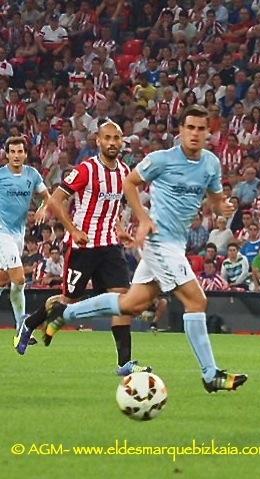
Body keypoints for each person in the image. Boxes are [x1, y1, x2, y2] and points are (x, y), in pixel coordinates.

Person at [43, 105, 247, 393]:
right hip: (159, 241)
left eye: (201, 129)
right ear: (180, 130)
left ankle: (65, 314)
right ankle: (210, 374)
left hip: (177, 242)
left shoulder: (211, 164)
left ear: (208, 132)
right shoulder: (161, 159)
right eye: (190, 127)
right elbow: (130, 182)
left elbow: (215, 200)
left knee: (130, 304)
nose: (195, 133)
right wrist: (143, 218)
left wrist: (222, 207)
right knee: (196, 301)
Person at [15, 120, 152, 374]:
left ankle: (124, 364)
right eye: (107, 138)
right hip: (83, 247)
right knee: (68, 300)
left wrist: (120, 230)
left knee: (123, 299)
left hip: (110, 246)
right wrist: (73, 230)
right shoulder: (86, 169)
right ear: (98, 141)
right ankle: (30, 323)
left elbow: (117, 206)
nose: (112, 143)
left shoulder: (124, 171)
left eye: (116, 138)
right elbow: (56, 200)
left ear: (122, 141)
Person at [1, 137, 49, 344]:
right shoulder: (1, 175)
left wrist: (42, 209)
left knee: (12, 282)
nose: (16, 155)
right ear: (7, 154)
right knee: (19, 278)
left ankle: (20, 327)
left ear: (25, 154)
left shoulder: (32, 174)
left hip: (18, 233)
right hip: (1, 232)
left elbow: (47, 198)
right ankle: (24, 326)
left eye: (20, 151)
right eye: (12, 151)